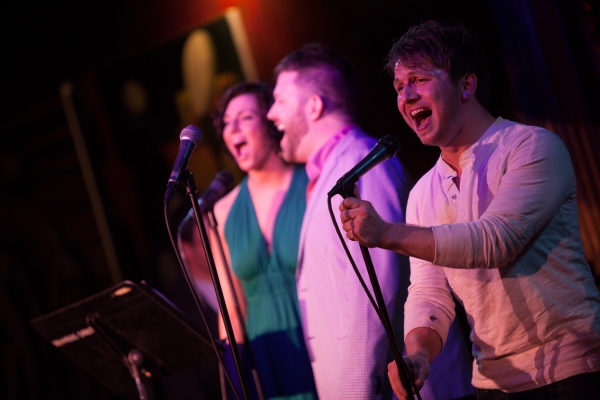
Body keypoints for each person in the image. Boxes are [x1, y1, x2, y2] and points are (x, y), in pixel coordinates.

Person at [338, 20, 600, 399]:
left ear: (466, 85)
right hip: (492, 383)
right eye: (398, 87)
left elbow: (496, 241)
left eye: (419, 79)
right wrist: (419, 355)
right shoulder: (424, 191)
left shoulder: (531, 146)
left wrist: (388, 233)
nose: (406, 96)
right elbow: (430, 292)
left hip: (572, 372)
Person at [267, 43, 475, 399]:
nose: (271, 113)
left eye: (281, 100)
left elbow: (378, 288)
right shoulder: (328, 173)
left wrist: (356, 391)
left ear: (314, 106)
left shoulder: (365, 161)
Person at [210, 81, 318, 399]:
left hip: (319, 335)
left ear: (271, 122)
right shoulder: (223, 210)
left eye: (245, 117)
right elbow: (230, 306)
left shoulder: (313, 184)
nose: (233, 129)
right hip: (267, 347)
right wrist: (235, 375)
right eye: (226, 122)